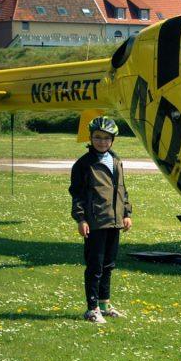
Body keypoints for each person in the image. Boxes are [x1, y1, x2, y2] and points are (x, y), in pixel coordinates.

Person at [68, 116, 133, 323]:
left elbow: (122, 190)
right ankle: (92, 308)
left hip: (114, 221)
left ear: (112, 140)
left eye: (106, 138)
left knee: (108, 265)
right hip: (95, 222)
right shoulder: (84, 164)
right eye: (97, 137)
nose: (102, 142)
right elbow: (77, 194)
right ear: (91, 138)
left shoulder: (116, 160)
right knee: (95, 266)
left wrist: (126, 214)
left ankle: (104, 305)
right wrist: (81, 219)